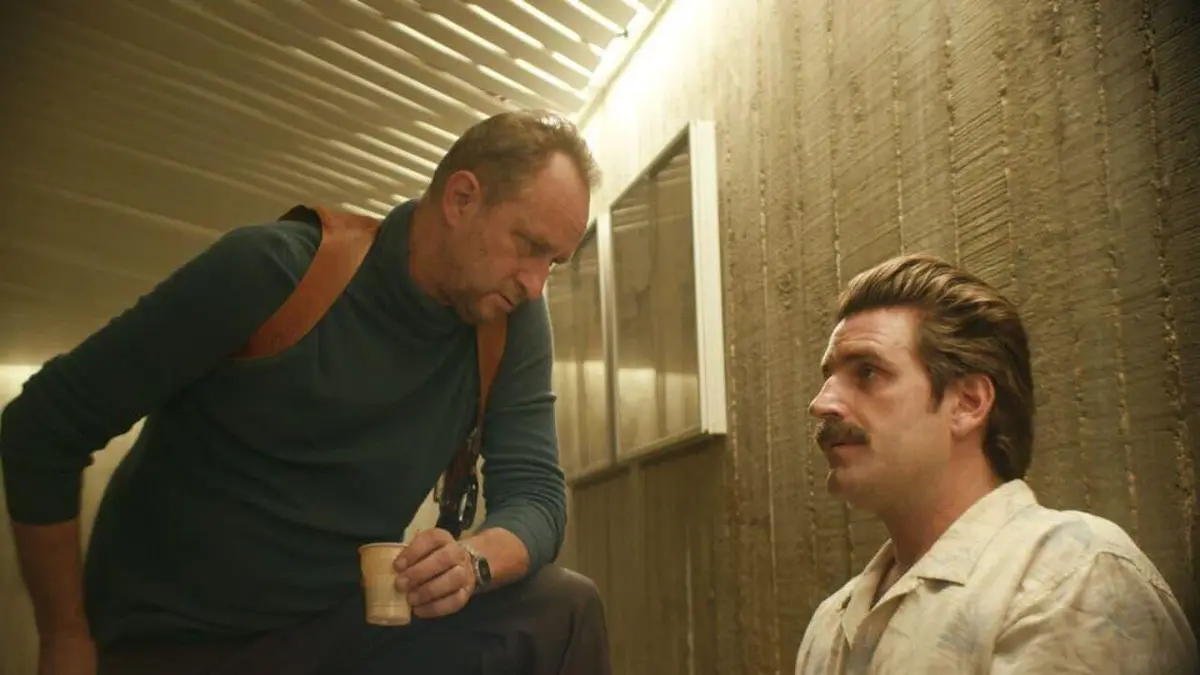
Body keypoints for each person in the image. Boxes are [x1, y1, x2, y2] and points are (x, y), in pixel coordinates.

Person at [1, 109, 612, 674]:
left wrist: (471, 563)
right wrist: (64, 636)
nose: (536, 284)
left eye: (553, 263)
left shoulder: (509, 319)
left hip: (331, 633)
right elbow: (42, 426)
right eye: (529, 247)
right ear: (461, 199)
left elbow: (536, 495)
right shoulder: (273, 271)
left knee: (562, 609)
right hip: (172, 640)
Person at [795, 253, 1197, 674]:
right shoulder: (831, 623)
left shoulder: (1068, 577)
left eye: (867, 372)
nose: (821, 403)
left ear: (968, 403)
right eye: (828, 377)